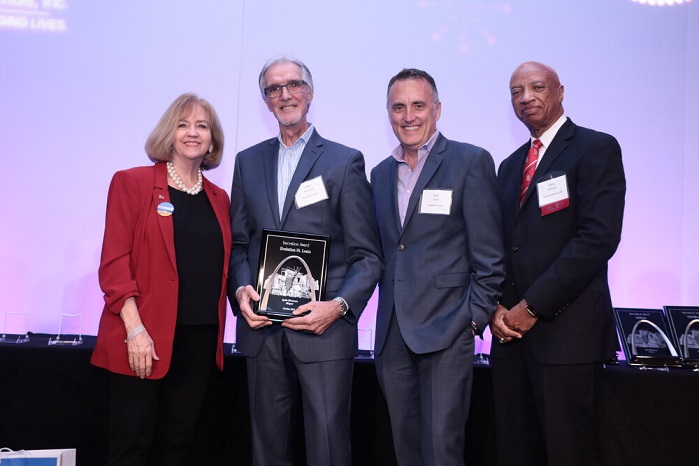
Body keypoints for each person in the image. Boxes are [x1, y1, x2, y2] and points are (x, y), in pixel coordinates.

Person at [229, 56, 383, 466]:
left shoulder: (343, 161)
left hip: (324, 330)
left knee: (329, 449)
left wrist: (339, 306)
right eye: (274, 89)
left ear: (310, 93)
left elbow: (367, 256)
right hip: (262, 330)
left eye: (293, 85)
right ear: (265, 101)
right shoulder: (247, 161)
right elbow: (240, 245)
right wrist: (241, 290)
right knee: (267, 451)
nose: (285, 95)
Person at [489, 61, 626, 466]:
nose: (526, 97)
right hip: (510, 339)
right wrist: (496, 306)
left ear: (560, 91)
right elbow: (501, 244)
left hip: (566, 337)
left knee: (569, 453)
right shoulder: (510, 165)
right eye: (516, 91)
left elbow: (597, 239)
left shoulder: (595, 148)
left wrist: (532, 307)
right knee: (515, 451)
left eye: (536, 87)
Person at [370, 68, 505, 466]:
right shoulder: (378, 174)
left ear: (437, 109)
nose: (408, 116)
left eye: (418, 105)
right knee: (405, 448)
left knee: (443, 449)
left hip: (448, 331)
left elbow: (490, 256)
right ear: (389, 113)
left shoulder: (469, 161)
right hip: (393, 335)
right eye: (398, 107)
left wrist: (472, 320)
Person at [91, 93, 231, 466]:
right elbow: (114, 263)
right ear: (169, 133)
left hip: (199, 341)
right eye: (183, 124)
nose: (192, 133)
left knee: (180, 447)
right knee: (131, 447)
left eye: (202, 126)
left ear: (213, 140)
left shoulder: (220, 199)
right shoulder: (132, 183)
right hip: (143, 337)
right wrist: (135, 330)